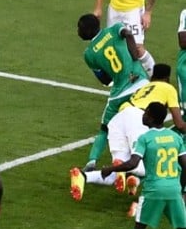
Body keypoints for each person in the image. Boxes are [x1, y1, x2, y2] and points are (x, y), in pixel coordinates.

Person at [97, 102, 186, 229]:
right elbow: (185, 163)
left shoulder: (145, 138)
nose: (143, 116)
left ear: (152, 117)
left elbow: (132, 163)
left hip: (154, 191)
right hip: (174, 190)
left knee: (139, 228)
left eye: (145, 113)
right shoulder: (175, 137)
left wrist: (111, 169)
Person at [72, 63, 186, 208]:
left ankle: (83, 176)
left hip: (119, 119)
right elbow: (180, 124)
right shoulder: (169, 88)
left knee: (119, 169)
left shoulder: (143, 88)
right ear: (167, 78)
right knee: (152, 165)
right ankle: (135, 182)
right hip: (139, 118)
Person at [72, 13, 149, 181]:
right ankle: (139, 168)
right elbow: (128, 34)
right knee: (145, 123)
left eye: (79, 28)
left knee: (104, 129)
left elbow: (105, 79)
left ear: (86, 30)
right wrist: (135, 56)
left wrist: (115, 75)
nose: (77, 31)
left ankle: (91, 162)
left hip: (119, 94)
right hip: (141, 84)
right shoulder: (114, 29)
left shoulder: (89, 54)